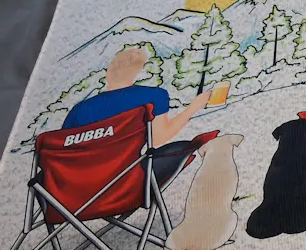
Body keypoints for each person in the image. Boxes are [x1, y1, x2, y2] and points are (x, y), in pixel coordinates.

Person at [62, 48, 211, 182]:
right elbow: (159, 138)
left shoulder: (80, 110)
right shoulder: (153, 96)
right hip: (125, 184)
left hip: (78, 189)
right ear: (137, 72)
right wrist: (194, 107)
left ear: (109, 71)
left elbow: (61, 152)